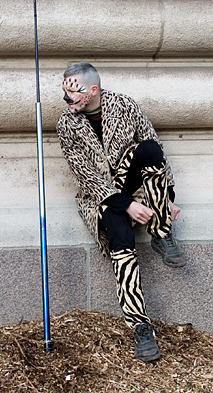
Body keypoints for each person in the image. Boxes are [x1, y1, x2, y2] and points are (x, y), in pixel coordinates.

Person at [56, 62, 186, 363]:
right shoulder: (66, 124)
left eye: (72, 92)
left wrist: (166, 197)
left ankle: (161, 233)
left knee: (149, 149)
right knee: (120, 235)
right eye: (64, 92)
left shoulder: (124, 105)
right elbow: (86, 175)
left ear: (93, 90)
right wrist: (125, 205)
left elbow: (154, 147)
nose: (67, 99)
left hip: (133, 181)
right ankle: (140, 325)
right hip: (100, 197)